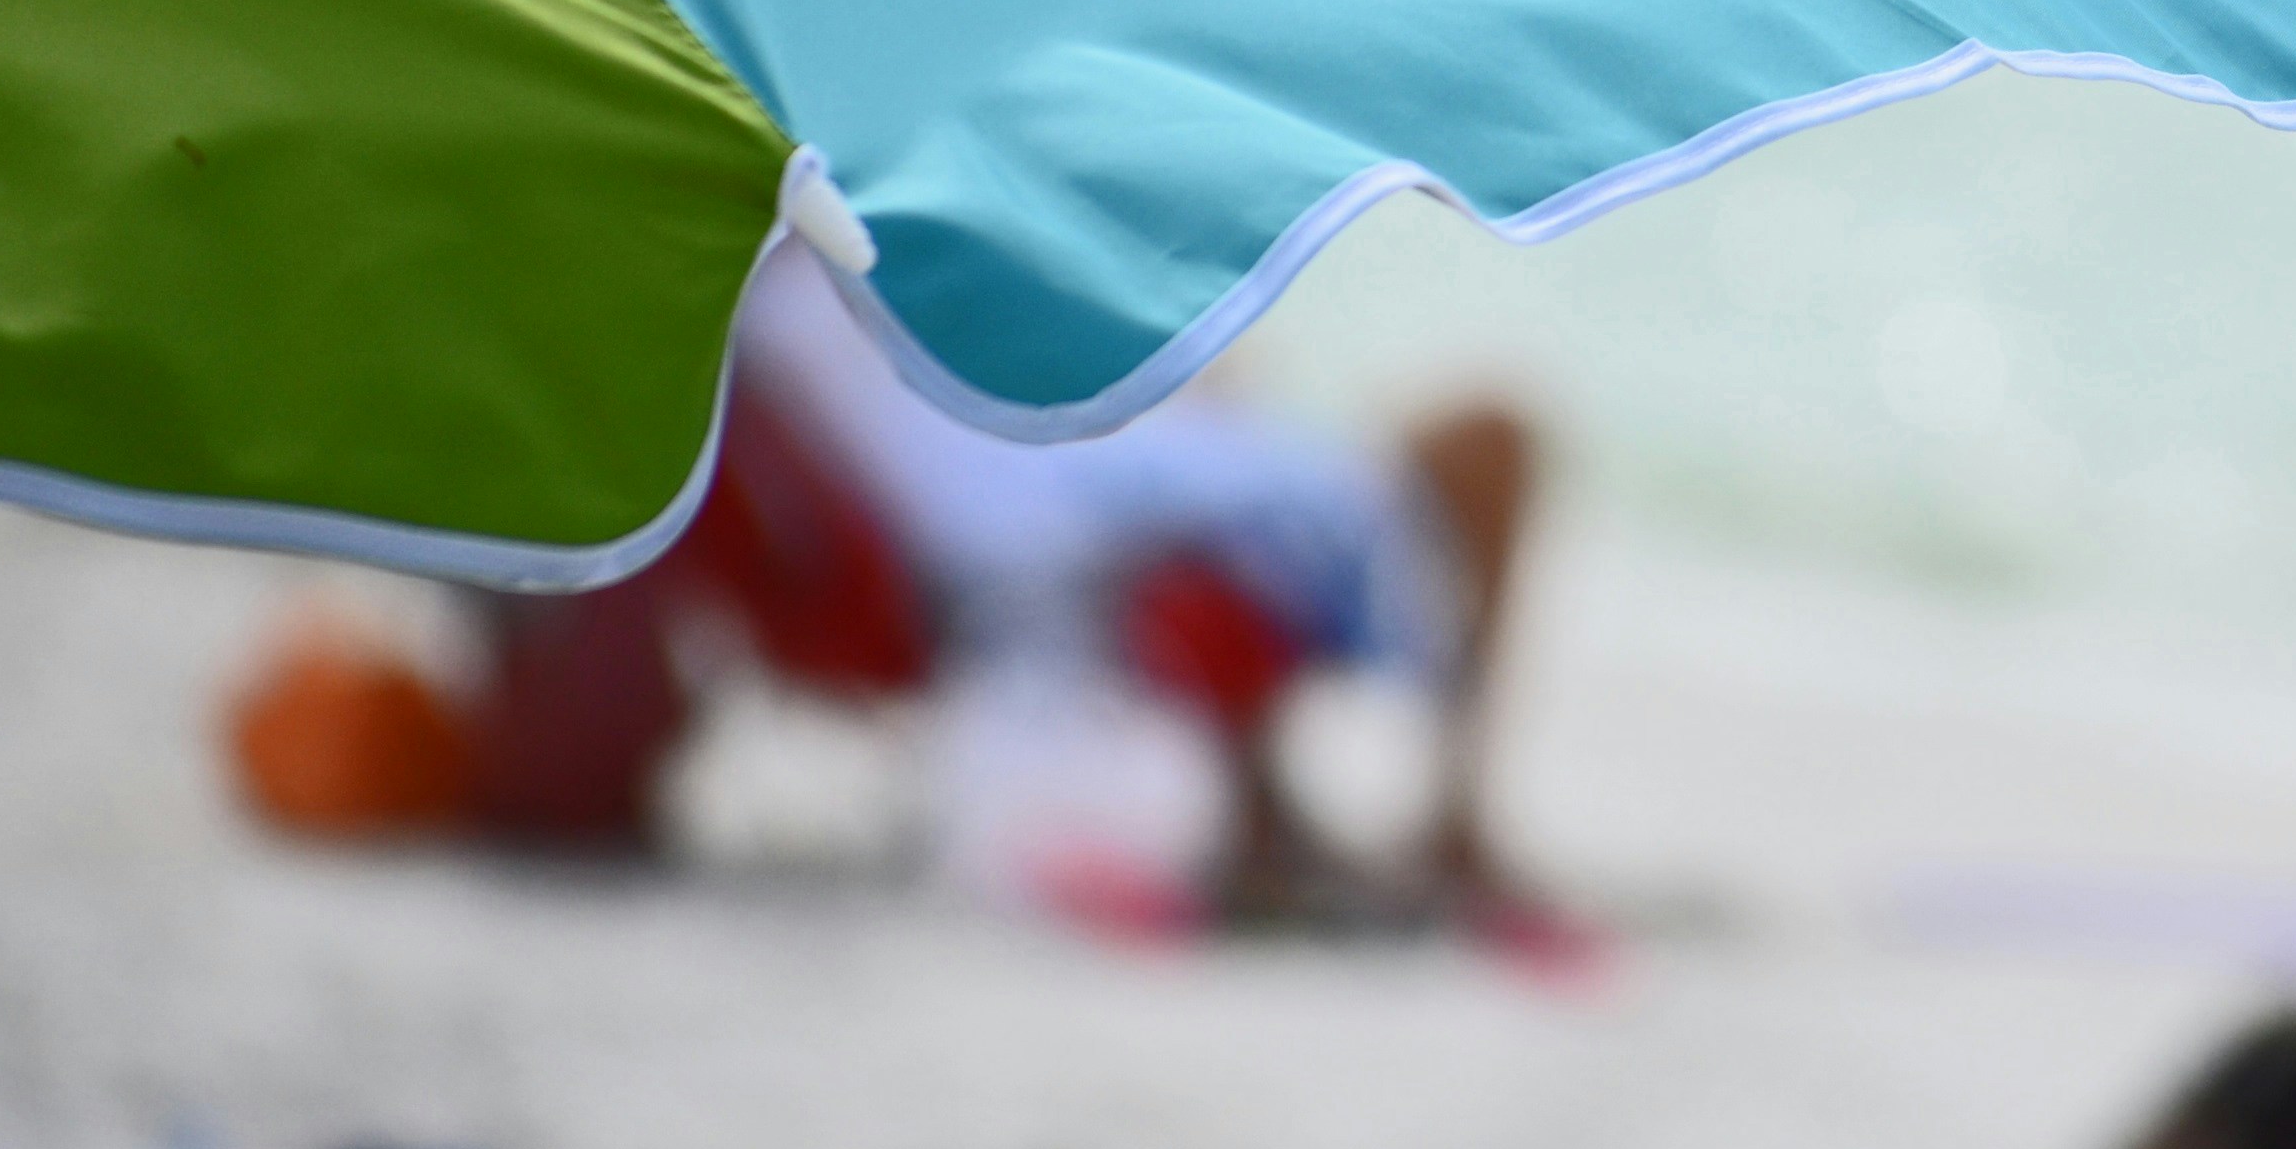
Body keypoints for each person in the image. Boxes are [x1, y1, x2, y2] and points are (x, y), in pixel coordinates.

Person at [467, 249, 1550, 929]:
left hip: (994, 491)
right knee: (1492, 440)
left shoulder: (758, 289)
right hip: (1019, 506)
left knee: (1409, 427)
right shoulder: (821, 263)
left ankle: (1318, 815)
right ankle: (1438, 818)